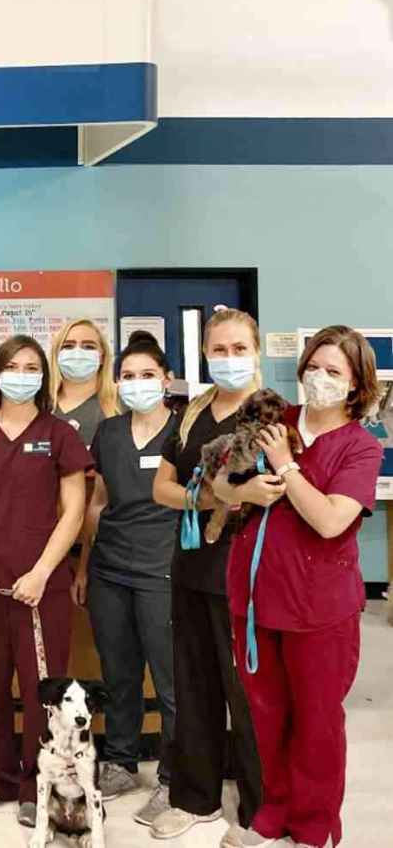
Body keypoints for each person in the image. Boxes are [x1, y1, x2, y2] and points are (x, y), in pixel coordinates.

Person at [215, 326, 381, 848]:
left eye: (335, 372)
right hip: (257, 602)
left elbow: (331, 521)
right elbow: (221, 484)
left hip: (319, 613)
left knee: (315, 726)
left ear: (356, 386)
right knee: (266, 718)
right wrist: (245, 490)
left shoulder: (360, 448)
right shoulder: (274, 420)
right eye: (314, 367)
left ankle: (312, 828)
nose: (320, 378)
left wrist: (286, 467)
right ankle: (273, 813)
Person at [0, 334, 91, 829]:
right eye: (13, 365)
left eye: (32, 366)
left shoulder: (60, 434)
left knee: (41, 689)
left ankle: (34, 784)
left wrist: (43, 572)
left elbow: (74, 512)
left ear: (43, 377)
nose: (21, 374)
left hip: (39, 587)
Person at [149, 307, 264, 845]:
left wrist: (219, 498)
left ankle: (261, 810)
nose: (229, 359)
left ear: (256, 352)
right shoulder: (192, 414)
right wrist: (215, 496)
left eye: (240, 349)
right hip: (192, 569)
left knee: (248, 695)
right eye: (220, 350)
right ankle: (195, 799)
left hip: (248, 576)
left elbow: (272, 495)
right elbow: (162, 489)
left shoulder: (271, 416)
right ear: (205, 354)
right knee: (194, 688)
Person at [71, 332, 178, 823]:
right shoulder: (109, 432)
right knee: (118, 672)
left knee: (171, 678)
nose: (138, 384)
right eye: (129, 377)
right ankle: (120, 760)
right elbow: (97, 501)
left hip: (163, 569)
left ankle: (176, 778)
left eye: (148, 376)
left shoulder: (180, 433)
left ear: (166, 380)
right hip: (109, 569)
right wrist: (86, 562)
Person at [49, 319, 120, 446]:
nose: (78, 353)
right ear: (57, 355)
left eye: (89, 346)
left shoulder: (121, 403)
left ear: (102, 357)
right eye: (68, 346)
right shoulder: (42, 405)